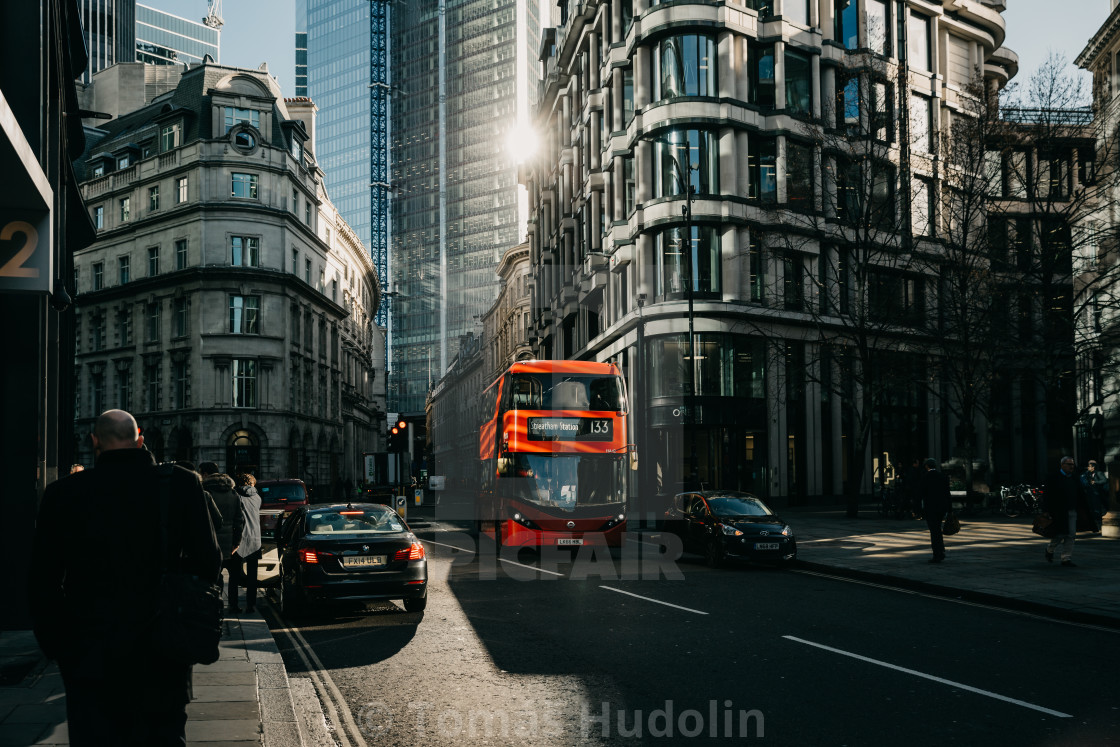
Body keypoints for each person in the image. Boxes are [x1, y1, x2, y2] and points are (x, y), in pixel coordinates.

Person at [29, 410, 220, 746]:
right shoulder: (180, 484)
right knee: (162, 735)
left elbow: (42, 580)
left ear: (94, 442)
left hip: (89, 649)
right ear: (140, 439)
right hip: (163, 646)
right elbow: (208, 562)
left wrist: (58, 645)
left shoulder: (63, 493)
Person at [199, 462, 246, 613]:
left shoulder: (205, 492)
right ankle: (233, 604)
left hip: (212, 541)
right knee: (234, 577)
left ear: (205, 474)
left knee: (214, 576)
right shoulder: (233, 493)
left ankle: (215, 604)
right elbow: (240, 521)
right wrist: (236, 542)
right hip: (231, 542)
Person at [1044, 456, 1089, 567]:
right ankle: (1050, 549)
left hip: (1072, 510)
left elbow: (1080, 494)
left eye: (1072, 464)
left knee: (1071, 534)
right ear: (1062, 465)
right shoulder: (1053, 477)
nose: (1071, 466)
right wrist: (1046, 510)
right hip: (1058, 512)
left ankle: (1066, 558)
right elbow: (1047, 495)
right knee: (1060, 534)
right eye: (1069, 464)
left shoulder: (1074, 477)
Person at [231, 472, 263, 613]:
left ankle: (234, 605)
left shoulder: (235, 496)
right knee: (252, 577)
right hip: (255, 539)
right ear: (252, 484)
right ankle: (251, 605)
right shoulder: (258, 497)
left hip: (239, 539)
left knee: (234, 576)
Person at [919, 457, 951, 563]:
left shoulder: (925, 477)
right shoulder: (942, 476)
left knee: (934, 531)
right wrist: (949, 509)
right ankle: (940, 551)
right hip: (941, 507)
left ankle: (937, 553)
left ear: (927, 466)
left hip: (930, 508)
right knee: (938, 529)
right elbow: (947, 494)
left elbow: (922, 494)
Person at [1080, 460, 1108, 533]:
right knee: (1093, 509)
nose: (1088, 468)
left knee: (1098, 509)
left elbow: (1104, 480)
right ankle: (1096, 526)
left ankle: (1100, 525)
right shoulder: (1088, 474)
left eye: (1089, 466)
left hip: (1097, 494)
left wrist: (1095, 482)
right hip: (1091, 494)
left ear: (1093, 467)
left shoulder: (1098, 473)